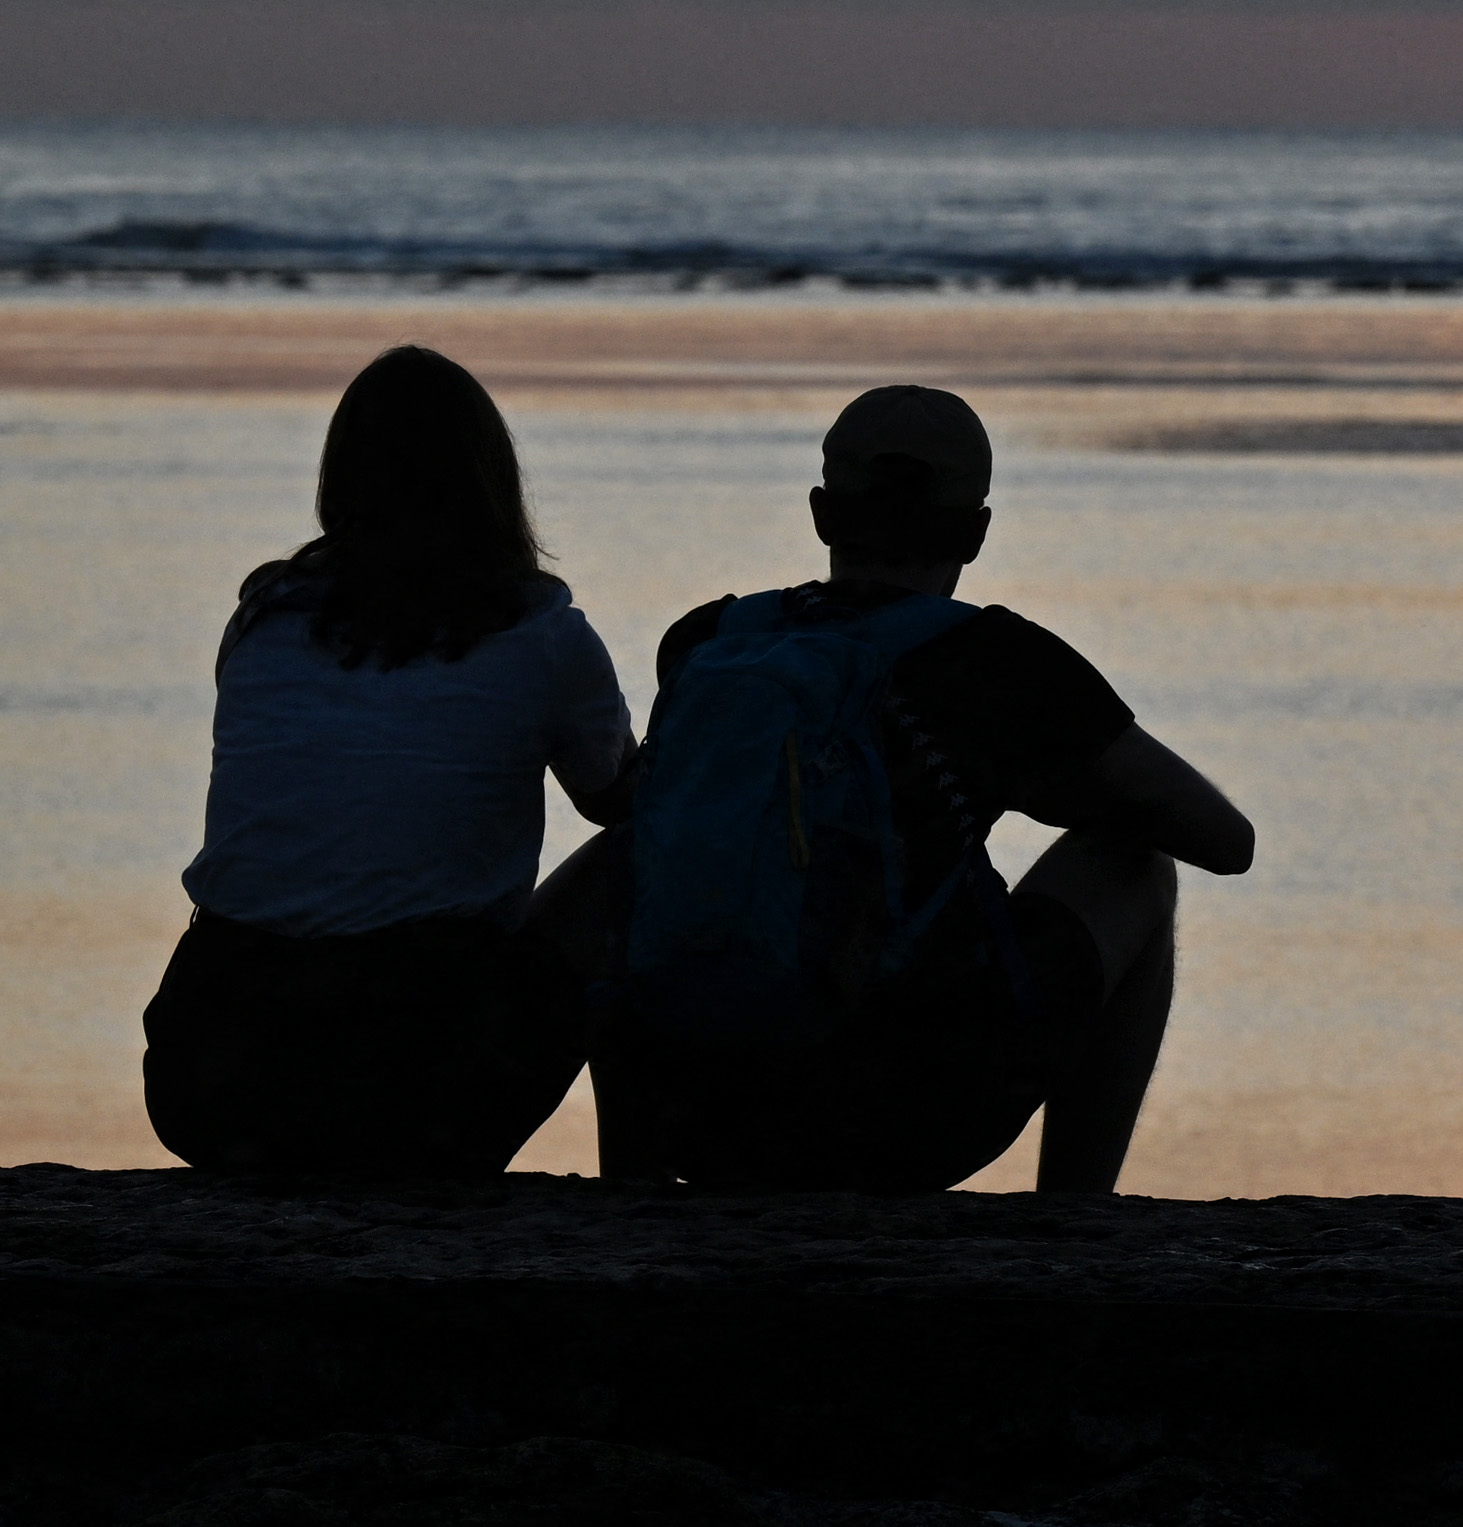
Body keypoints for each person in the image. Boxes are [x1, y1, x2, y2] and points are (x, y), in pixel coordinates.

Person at [569, 386, 1254, 1195]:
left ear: (823, 513)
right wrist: (1047, 777)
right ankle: (1076, 1212)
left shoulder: (707, 639)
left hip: (691, 1113)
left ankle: (631, 1191)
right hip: (900, 1117)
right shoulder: (997, 662)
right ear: (977, 530)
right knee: (1134, 864)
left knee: (638, 849)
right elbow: (1224, 840)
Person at [142, 345, 627, 1181]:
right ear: (490, 481)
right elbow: (616, 800)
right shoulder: (542, 635)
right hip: (425, 1083)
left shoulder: (263, 618)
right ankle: (643, 1172)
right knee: (641, 856)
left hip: (211, 1071)